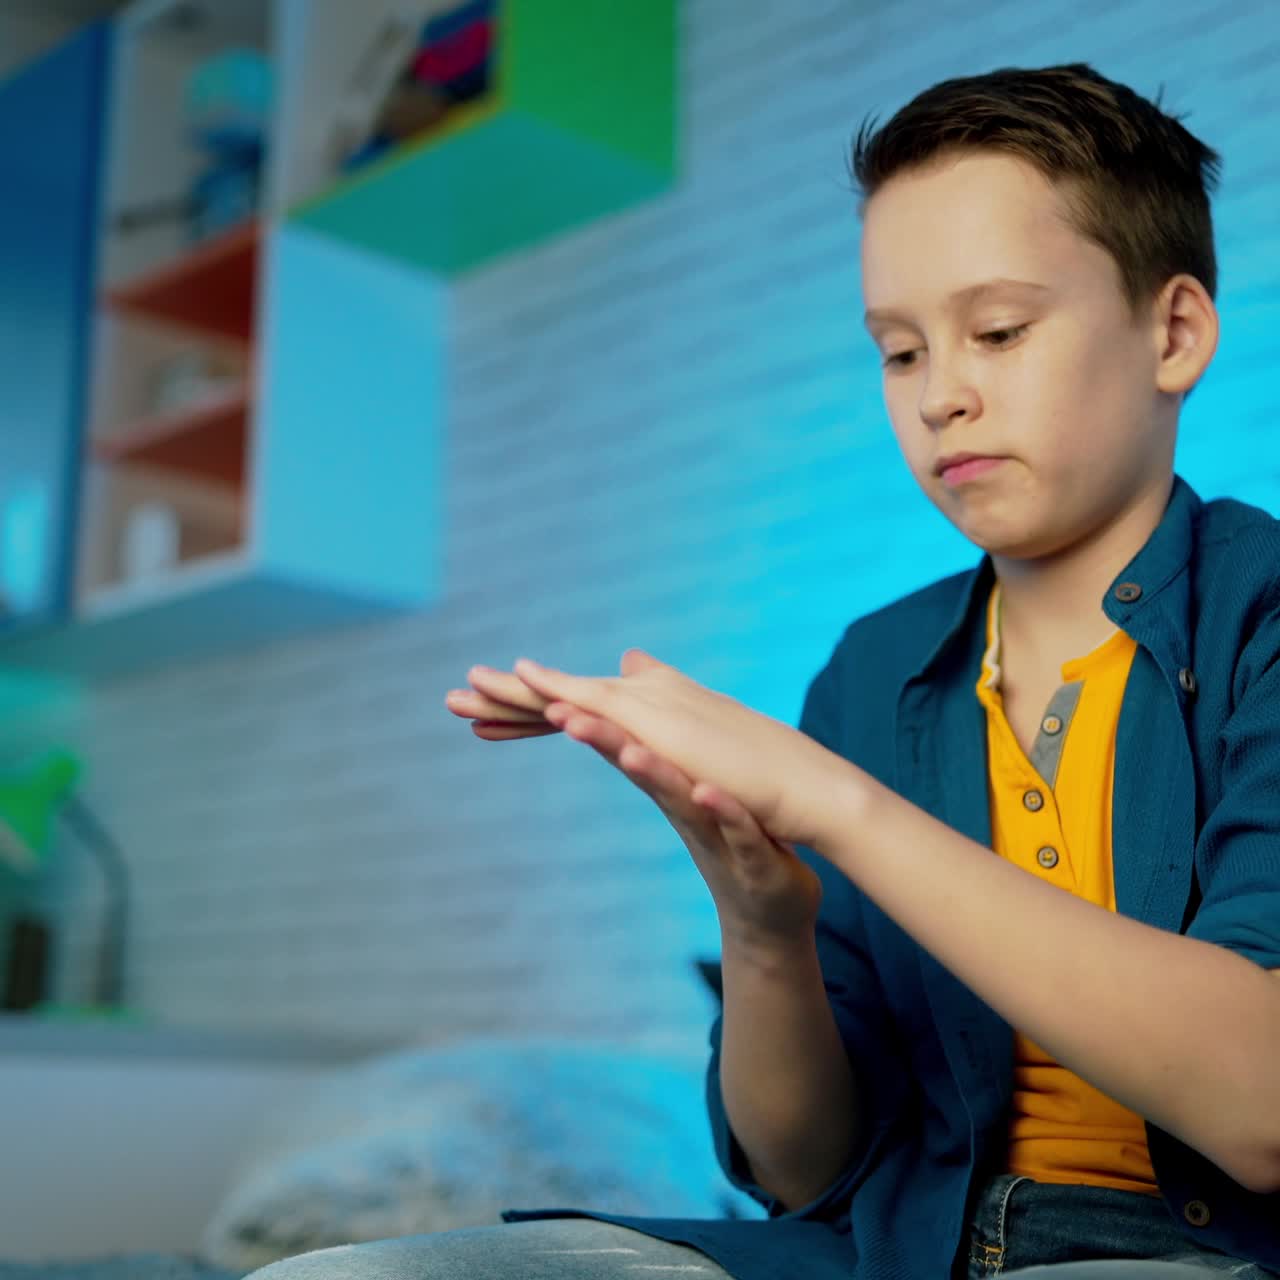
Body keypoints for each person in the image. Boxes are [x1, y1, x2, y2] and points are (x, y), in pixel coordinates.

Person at [251, 62, 1280, 1280]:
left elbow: (1255, 1103)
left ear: (1173, 332)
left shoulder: (1254, 611)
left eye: (997, 331)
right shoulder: (873, 668)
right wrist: (764, 925)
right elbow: (802, 1168)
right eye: (898, 352)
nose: (941, 396)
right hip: (886, 1250)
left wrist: (836, 804)